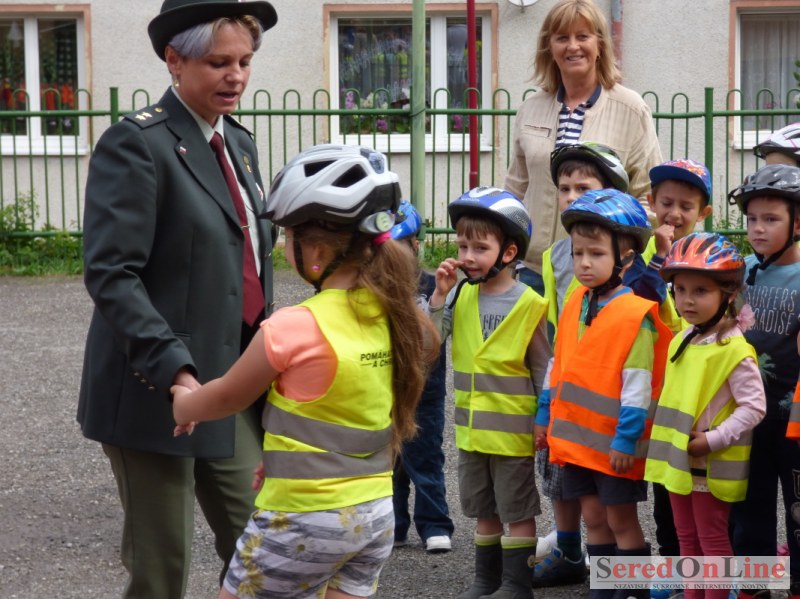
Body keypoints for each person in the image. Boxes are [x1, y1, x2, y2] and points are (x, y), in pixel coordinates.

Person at [172, 144, 441, 599]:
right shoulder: (398, 316)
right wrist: (281, 462)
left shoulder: (294, 326)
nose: (282, 246)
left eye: (288, 235)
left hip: (303, 518)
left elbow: (228, 396)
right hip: (372, 517)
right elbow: (343, 411)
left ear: (315, 251)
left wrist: (184, 402)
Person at [78, 1, 278, 597]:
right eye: (219, 63)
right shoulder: (137, 144)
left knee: (261, 551)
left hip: (230, 384)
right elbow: (113, 274)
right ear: (174, 59)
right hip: (156, 390)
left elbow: (246, 263)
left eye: (244, 61)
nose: (236, 76)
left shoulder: (238, 144)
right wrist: (175, 370)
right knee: (162, 570)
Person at [535, 189, 670, 599]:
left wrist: (627, 439)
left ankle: (632, 591)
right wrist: (544, 416)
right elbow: (558, 362)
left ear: (625, 259)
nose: (583, 263)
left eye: (595, 254)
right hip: (577, 442)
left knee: (621, 521)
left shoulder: (635, 315)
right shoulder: (576, 299)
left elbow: (638, 386)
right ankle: (604, 587)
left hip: (615, 446)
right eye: (578, 253)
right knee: (594, 518)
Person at [429, 187, 551, 599]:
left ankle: (517, 584)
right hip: (472, 433)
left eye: (480, 248)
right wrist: (438, 296)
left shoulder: (531, 304)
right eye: (463, 246)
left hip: (513, 435)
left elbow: (543, 368)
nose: (467, 256)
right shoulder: (459, 295)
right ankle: (487, 580)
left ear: (509, 252)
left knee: (517, 510)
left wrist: (544, 419)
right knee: (483, 510)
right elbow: (428, 346)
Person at [505, 0, 662, 296]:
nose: (573, 46)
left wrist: (615, 249)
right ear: (549, 47)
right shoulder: (530, 109)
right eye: (562, 38)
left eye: (583, 36)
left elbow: (649, 197)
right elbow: (514, 190)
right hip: (534, 270)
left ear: (600, 45)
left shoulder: (631, 109)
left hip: (600, 274)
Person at [645, 232, 766, 599]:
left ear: (728, 293)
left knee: (712, 541)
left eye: (700, 290)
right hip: (679, 462)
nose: (687, 300)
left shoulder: (733, 349)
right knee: (686, 538)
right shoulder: (685, 338)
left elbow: (754, 407)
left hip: (710, 467)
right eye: (680, 289)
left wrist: (713, 440)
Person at [727, 164, 800, 599]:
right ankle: (754, 587)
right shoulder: (739, 272)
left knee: (798, 511)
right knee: (748, 508)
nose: (757, 228)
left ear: (798, 224)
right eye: (752, 218)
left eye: (770, 219)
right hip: (748, 416)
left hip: (794, 423)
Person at [389, 200, 455, 554]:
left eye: (399, 248)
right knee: (390, 462)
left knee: (426, 459)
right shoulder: (374, 288)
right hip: (386, 389)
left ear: (415, 246)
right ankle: (394, 526)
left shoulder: (432, 285)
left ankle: (434, 524)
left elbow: (437, 335)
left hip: (426, 392)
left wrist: (440, 296)